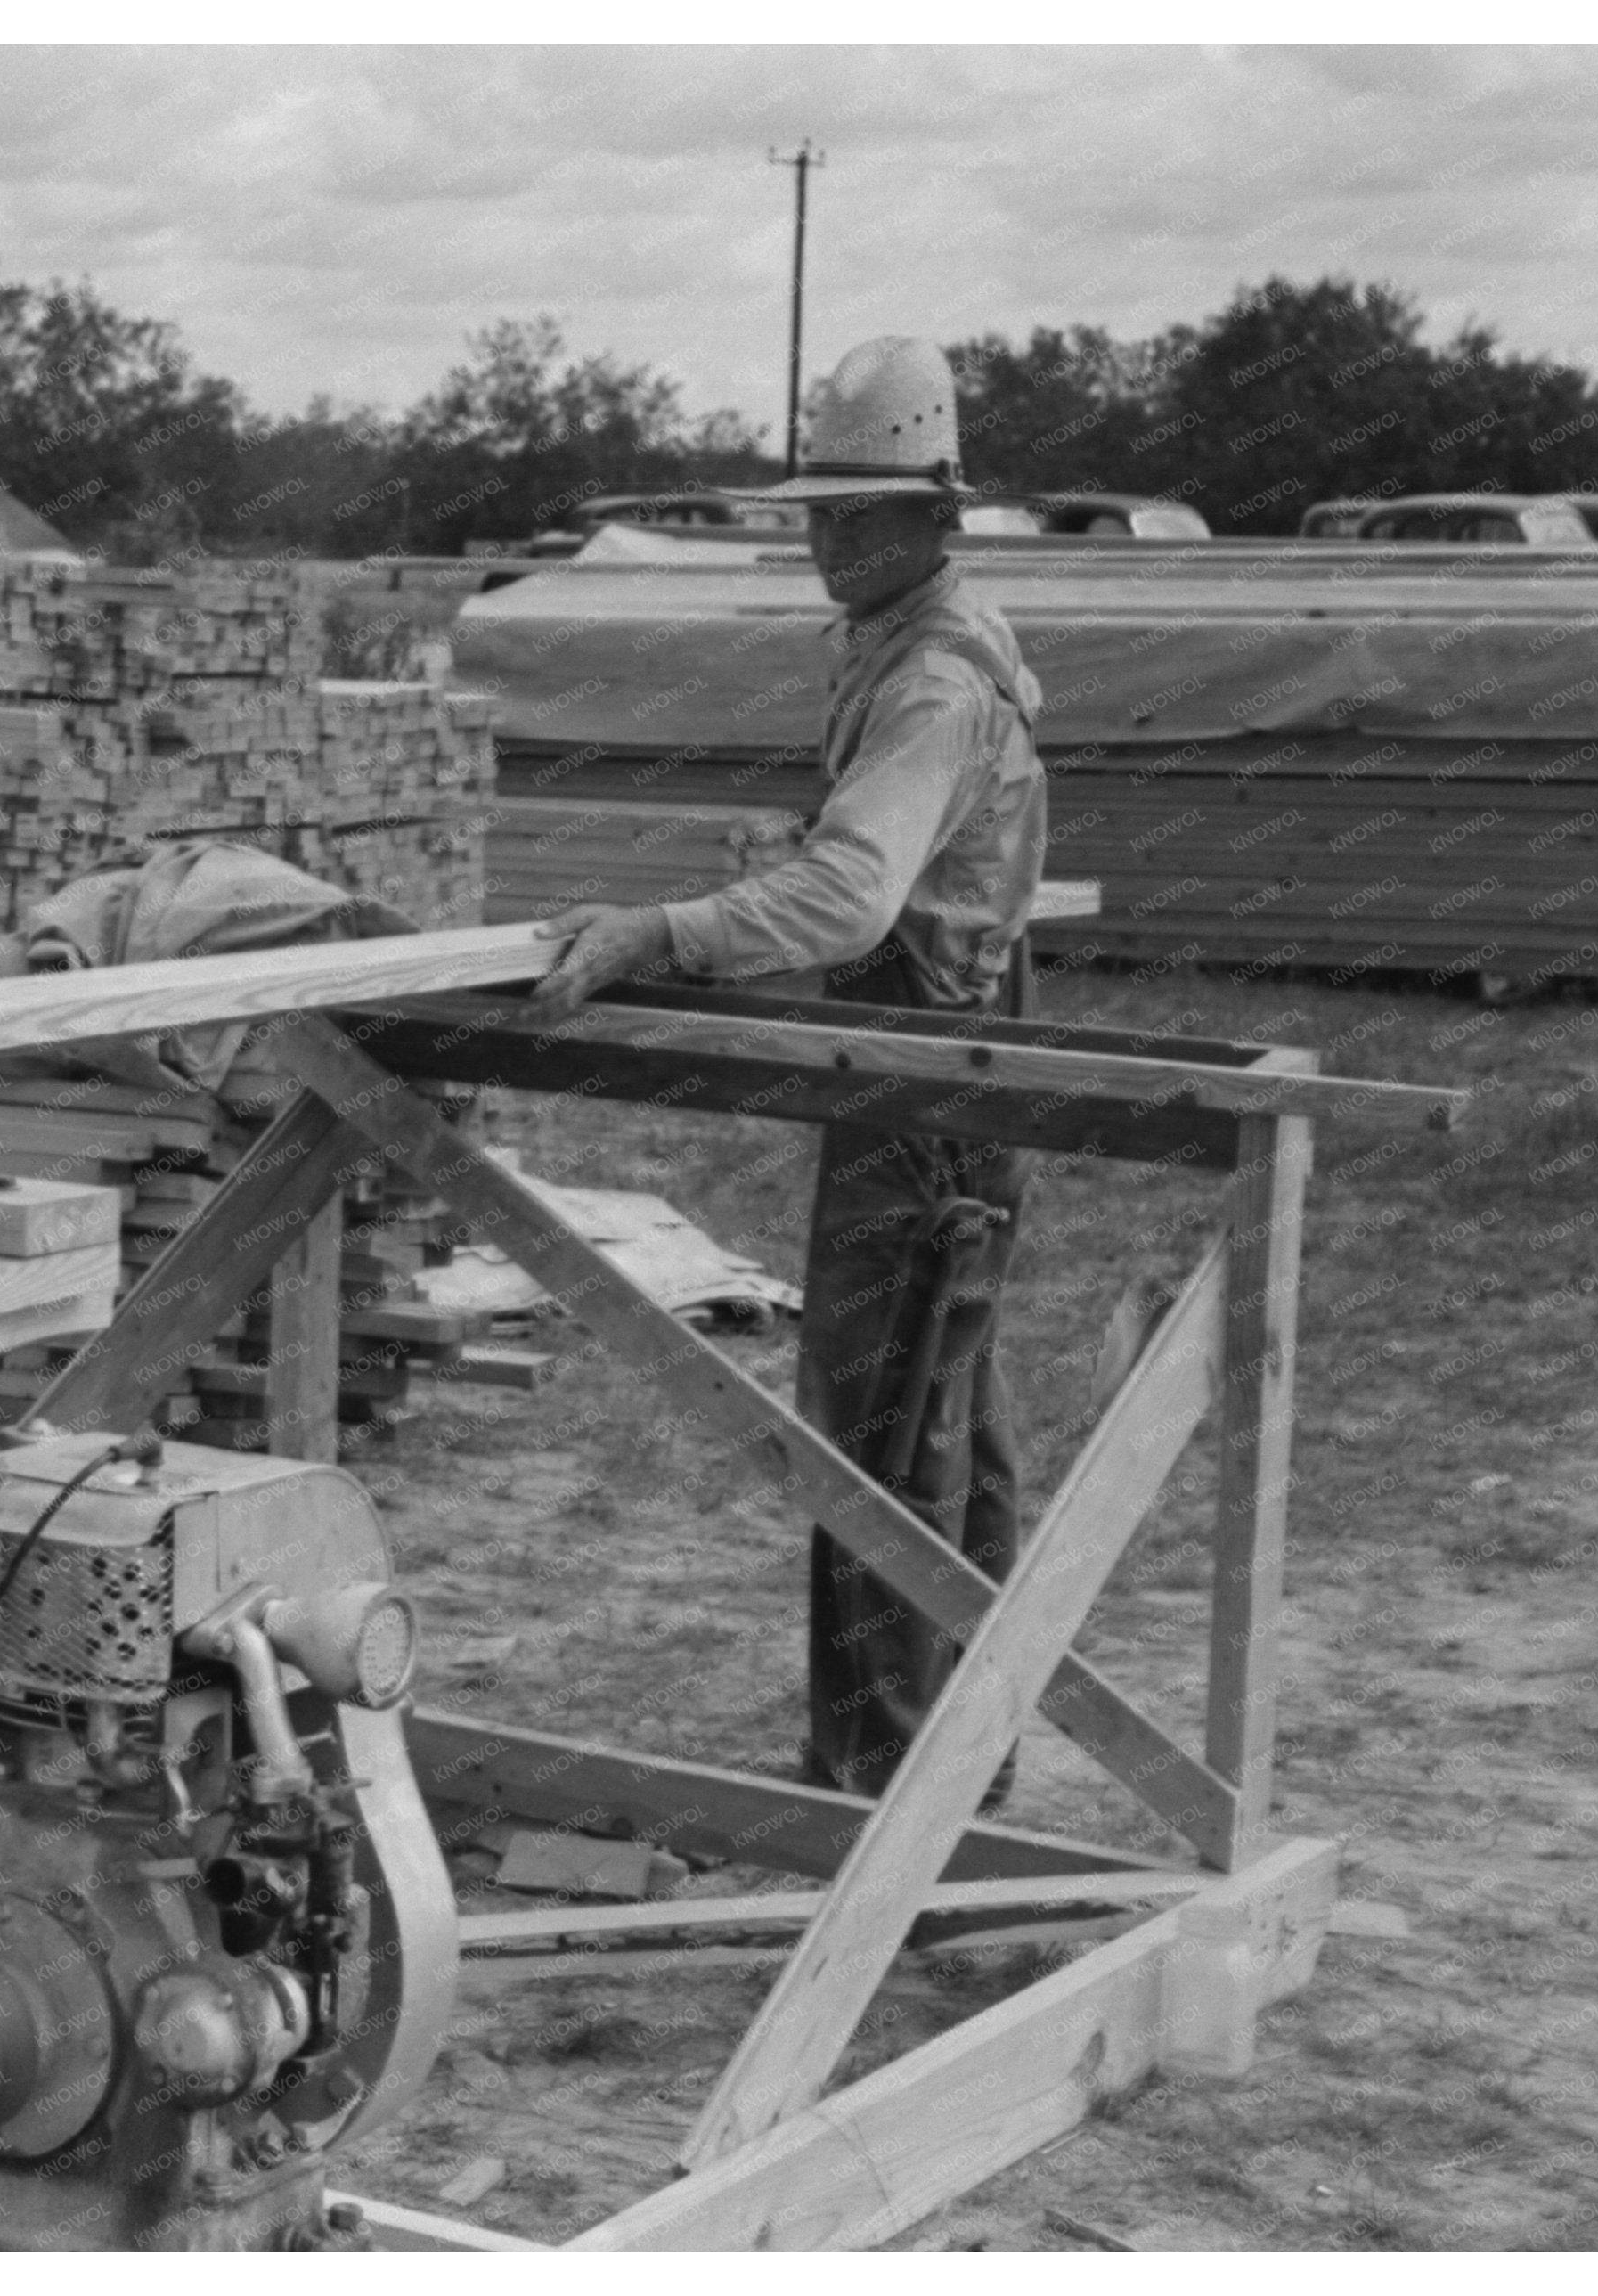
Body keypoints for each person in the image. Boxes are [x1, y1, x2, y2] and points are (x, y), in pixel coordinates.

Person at [523, 336, 1047, 1804]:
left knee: (885, 1434)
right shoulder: (912, 642)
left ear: (936, 516)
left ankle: (876, 1787)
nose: (827, 538)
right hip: (943, 1039)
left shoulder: (935, 675)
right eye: (816, 509)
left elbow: (852, 902)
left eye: (859, 513)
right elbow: (885, 866)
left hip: (927, 1063)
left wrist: (657, 931)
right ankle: (957, 1760)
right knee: (948, 1417)